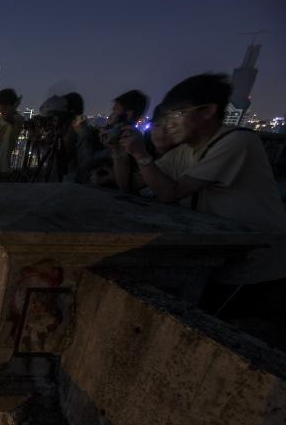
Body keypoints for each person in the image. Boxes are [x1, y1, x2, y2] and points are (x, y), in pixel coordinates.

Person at [119, 73, 286, 331]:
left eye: (176, 115)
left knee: (222, 329)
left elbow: (169, 193)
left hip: (256, 263)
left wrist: (142, 154)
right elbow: (134, 184)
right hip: (221, 255)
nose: (169, 124)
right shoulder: (186, 151)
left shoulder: (237, 141)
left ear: (208, 111)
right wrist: (120, 152)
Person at [110, 103, 177, 194]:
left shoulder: (182, 157)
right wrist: (116, 150)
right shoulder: (139, 149)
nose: (162, 132)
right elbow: (128, 186)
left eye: (168, 127)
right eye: (157, 125)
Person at [0, 88, 24, 173]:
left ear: (7, 105)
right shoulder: (0, 119)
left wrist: (14, 106)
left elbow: (8, 118)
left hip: (2, 167)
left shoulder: (18, 119)